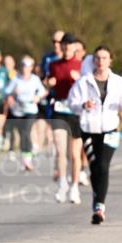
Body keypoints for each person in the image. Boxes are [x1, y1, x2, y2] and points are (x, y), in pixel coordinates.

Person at [68, 45, 122, 224]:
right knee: (94, 168)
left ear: (110, 60)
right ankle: (97, 201)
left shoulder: (119, 81)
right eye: (97, 58)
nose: (101, 61)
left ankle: (99, 206)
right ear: (93, 60)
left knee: (103, 166)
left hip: (110, 129)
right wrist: (82, 105)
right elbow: (71, 102)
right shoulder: (84, 81)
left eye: (104, 58)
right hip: (89, 129)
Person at [47, 33, 85, 203]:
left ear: (74, 48)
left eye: (69, 46)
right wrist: (49, 83)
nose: (66, 49)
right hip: (59, 109)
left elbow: (89, 87)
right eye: (63, 46)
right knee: (60, 150)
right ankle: (63, 184)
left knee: (75, 154)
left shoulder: (82, 65)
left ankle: (75, 187)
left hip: (75, 111)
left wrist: (80, 80)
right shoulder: (54, 64)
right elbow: (48, 82)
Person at [4, 56, 47, 172]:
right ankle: (26, 158)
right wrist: (12, 95)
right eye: (23, 65)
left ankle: (28, 158)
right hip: (17, 111)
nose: (24, 68)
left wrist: (38, 96)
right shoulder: (16, 79)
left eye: (27, 66)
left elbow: (43, 91)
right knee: (22, 134)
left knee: (26, 131)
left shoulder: (35, 79)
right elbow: (6, 92)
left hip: (31, 109)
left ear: (31, 67)